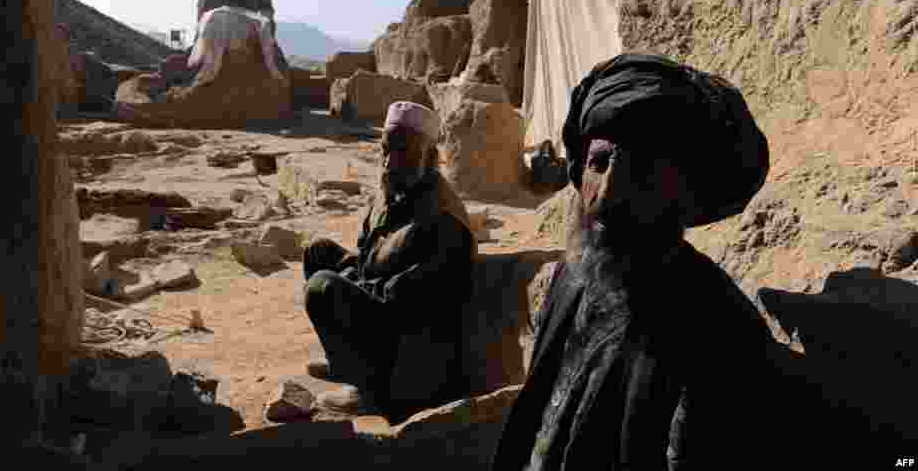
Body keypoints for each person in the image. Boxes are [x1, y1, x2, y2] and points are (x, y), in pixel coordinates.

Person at [490, 53, 836, 470]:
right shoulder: (574, 276)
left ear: (685, 195)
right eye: (599, 163)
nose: (608, 192)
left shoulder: (717, 326)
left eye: (642, 173)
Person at [301, 101, 476, 418]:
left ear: (428, 157)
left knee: (322, 287)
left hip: (413, 343)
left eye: (403, 152)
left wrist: (355, 284)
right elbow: (368, 253)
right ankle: (345, 364)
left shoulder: (443, 218)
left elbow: (409, 297)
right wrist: (356, 276)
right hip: (381, 298)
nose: (389, 162)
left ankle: (370, 391)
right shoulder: (393, 189)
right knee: (319, 253)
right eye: (386, 150)